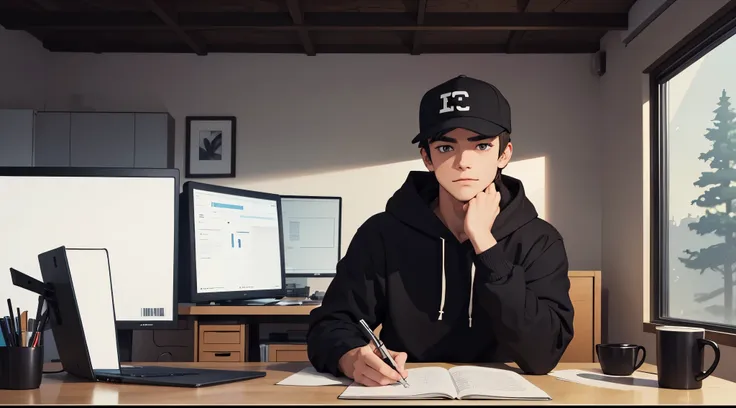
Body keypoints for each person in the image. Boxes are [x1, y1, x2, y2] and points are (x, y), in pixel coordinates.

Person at [306, 75, 574, 387]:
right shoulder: (381, 233)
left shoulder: (539, 240)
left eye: (482, 145)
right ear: (427, 158)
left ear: (504, 154)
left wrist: (486, 246)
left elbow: (544, 354)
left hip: (502, 396)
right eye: (446, 146)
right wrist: (351, 358)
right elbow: (332, 323)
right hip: (402, 393)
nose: (463, 162)